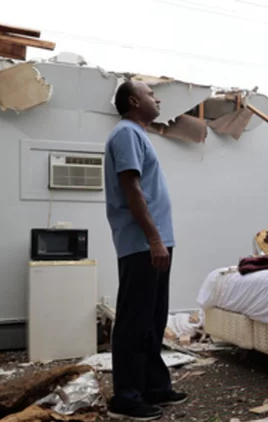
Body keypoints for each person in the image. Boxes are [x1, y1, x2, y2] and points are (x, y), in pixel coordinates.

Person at [104, 80, 187, 420]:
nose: (158, 99)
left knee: (152, 320)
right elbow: (131, 189)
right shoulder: (126, 133)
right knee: (135, 322)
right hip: (142, 243)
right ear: (135, 101)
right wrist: (153, 238)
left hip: (154, 242)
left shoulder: (136, 134)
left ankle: (154, 387)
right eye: (152, 95)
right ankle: (125, 397)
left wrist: (160, 239)